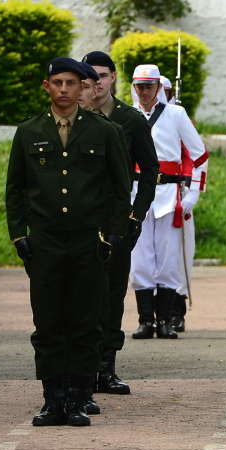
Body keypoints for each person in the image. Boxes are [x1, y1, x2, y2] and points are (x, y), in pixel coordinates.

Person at [5, 57, 130, 427]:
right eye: (56, 82)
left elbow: (119, 189)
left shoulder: (104, 132)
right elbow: (15, 189)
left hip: (87, 242)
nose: (63, 89)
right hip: (44, 243)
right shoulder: (28, 132)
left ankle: (77, 398)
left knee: (85, 322)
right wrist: (18, 235)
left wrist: (111, 235)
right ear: (47, 87)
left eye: (70, 83)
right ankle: (51, 399)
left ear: (82, 88)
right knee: (48, 322)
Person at [81, 51, 158, 394]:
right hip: (80, 220)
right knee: (82, 295)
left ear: (113, 78)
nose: (96, 83)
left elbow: (150, 170)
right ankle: (82, 366)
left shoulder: (129, 120)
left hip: (116, 222)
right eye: (89, 77)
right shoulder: (75, 118)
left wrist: (136, 214)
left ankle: (106, 367)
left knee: (112, 295)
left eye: (101, 76)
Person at [127, 63, 208, 339]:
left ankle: (166, 321)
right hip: (136, 195)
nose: (145, 92)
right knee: (140, 260)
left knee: (169, 260)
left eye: (149, 87)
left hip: (169, 194)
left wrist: (194, 193)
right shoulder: (126, 115)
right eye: (140, 87)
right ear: (133, 88)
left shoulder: (176, 114)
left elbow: (199, 156)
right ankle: (145, 320)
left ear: (159, 88)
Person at [161, 74, 191, 332]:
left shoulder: (178, 118)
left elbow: (191, 156)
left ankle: (176, 311)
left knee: (178, 259)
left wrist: (190, 193)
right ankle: (156, 315)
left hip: (178, 195)